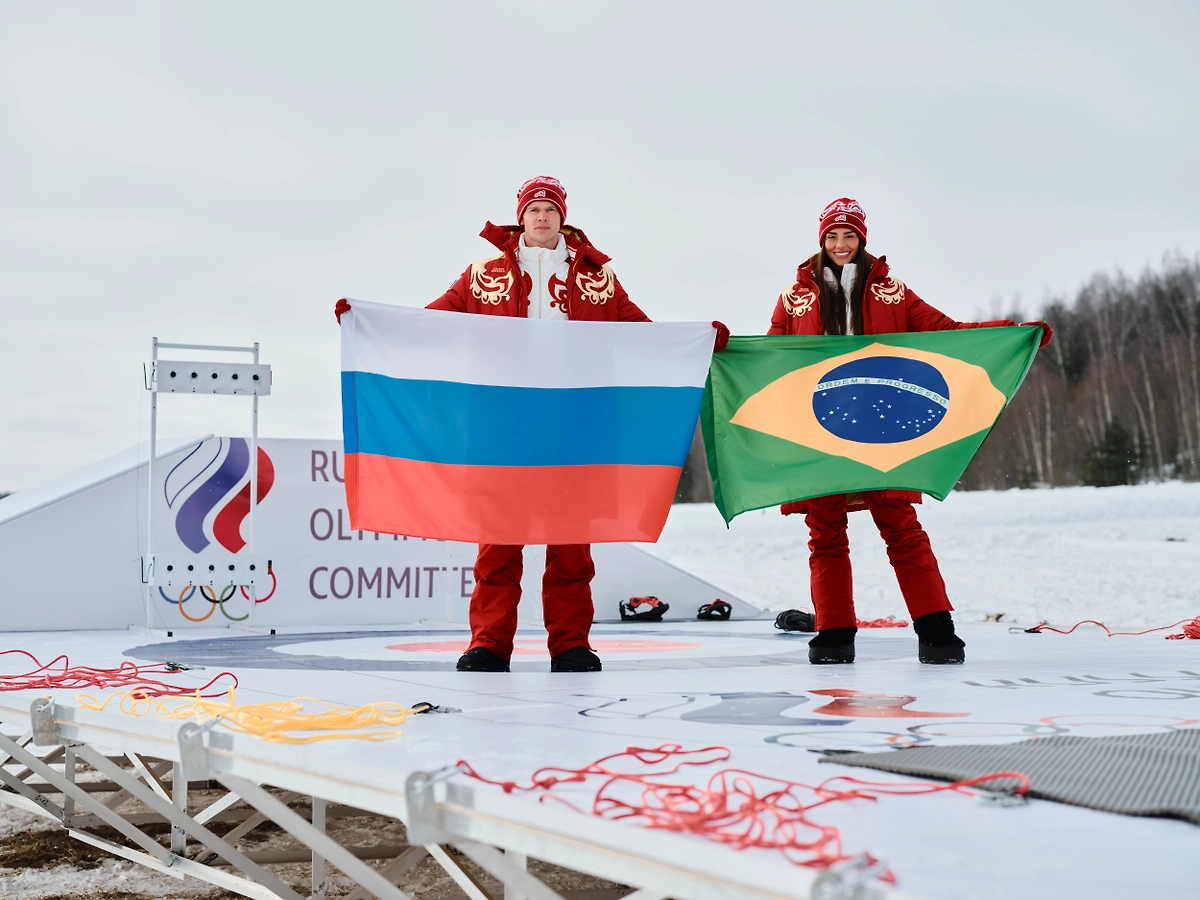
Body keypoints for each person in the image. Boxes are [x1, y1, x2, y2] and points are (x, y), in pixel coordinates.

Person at [344, 175, 650, 673]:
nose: (543, 217)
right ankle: (488, 642)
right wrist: (369, 323)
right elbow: (433, 323)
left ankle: (571, 644)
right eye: (534, 209)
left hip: (574, 423)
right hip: (501, 424)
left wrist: (699, 341)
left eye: (551, 209)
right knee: (498, 541)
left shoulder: (600, 279)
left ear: (563, 218)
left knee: (572, 542)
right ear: (521, 217)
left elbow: (643, 334)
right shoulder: (481, 274)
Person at [766, 198, 1051, 665]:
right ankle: (834, 634)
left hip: (883, 427)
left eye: (849, 235)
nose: (841, 244)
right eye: (832, 236)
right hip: (819, 430)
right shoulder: (794, 297)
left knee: (901, 528)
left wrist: (1012, 333)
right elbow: (769, 359)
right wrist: (721, 349)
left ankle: (937, 633)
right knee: (825, 532)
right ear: (821, 240)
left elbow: (948, 332)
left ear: (862, 239)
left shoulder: (892, 292)